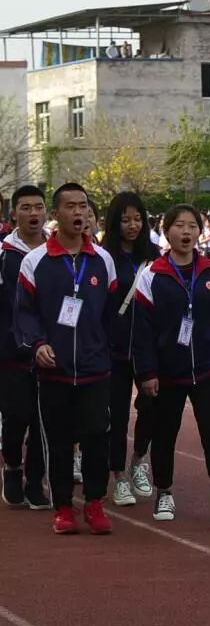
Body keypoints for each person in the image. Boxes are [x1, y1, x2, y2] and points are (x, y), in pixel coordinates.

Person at [133, 204, 210, 526]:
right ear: (166, 230)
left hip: (209, 368)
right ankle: (165, 492)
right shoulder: (151, 276)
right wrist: (147, 372)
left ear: (201, 231)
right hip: (167, 373)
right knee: (165, 433)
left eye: (192, 226)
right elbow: (142, 331)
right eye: (179, 226)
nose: (186, 232)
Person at [15, 183, 117, 535]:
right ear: (55, 215)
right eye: (70, 206)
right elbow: (24, 313)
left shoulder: (103, 260)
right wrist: (38, 344)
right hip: (53, 371)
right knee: (57, 441)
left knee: (96, 437)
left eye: (83, 206)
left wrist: (104, 350)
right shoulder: (35, 261)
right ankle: (62, 507)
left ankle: (94, 502)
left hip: (95, 369)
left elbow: (111, 315)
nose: (78, 213)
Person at [102, 192, 158, 506]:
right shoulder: (104, 257)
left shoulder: (154, 255)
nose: (132, 225)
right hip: (116, 349)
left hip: (149, 349)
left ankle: (139, 459)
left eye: (137, 218)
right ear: (114, 222)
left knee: (152, 408)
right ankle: (118, 475)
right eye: (125, 219)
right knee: (118, 415)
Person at [0, 185, 50, 510]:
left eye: (39, 207)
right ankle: (13, 469)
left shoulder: (58, 251)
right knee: (17, 416)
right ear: (14, 213)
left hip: (50, 351)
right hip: (10, 352)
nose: (33, 213)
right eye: (26, 207)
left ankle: (35, 481)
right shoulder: (4, 253)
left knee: (44, 420)